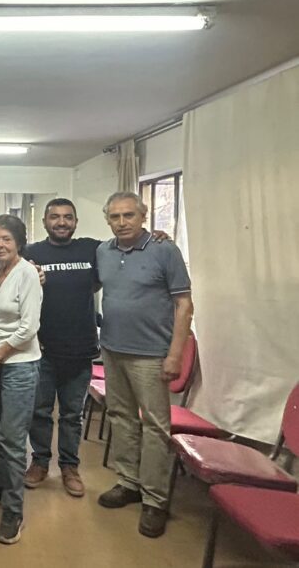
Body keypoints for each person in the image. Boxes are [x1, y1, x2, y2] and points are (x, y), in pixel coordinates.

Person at [95, 192, 193, 539]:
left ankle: (155, 499)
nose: (122, 222)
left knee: (155, 427)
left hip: (151, 355)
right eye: (115, 216)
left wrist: (175, 354)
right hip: (112, 349)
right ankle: (129, 482)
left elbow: (184, 305)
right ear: (108, 220)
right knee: (121, 417)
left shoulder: (165, 251)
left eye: (129, 215)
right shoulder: (103, 251)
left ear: (143, 215)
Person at [22, 198, 100, 498]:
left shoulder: (92, 250)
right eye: (54, 217)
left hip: (81, 348)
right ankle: (40, 461)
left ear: (76, 222)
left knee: (72, 414)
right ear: (44, 222)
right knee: (40, 411)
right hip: (41, 349)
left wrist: (156, 236)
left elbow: (124, 247)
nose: (61, 222)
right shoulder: (32, 253)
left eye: (68, 217)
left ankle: (70, 467)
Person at [0, 215, 42, 545]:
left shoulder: (28, 274)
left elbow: (29, 326)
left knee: (12, 439)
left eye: (6, 239)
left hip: (19, 364)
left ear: (18, 242)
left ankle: (13, 511)